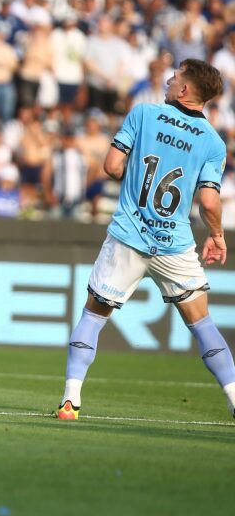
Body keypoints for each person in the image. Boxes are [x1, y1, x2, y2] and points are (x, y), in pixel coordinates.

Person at [56, 59, 235, 421]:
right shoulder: (214, 143)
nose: (169, 79)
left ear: (184, 90)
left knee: (93, 315)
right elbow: (209, 201)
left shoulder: (144, 114)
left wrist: (128, 171)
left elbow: (110, 166)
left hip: (129, 235)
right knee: (202, 323)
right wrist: (216, 235)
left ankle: (70, 401)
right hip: (174, 243)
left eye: (176, 76)